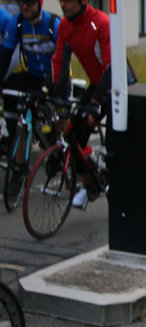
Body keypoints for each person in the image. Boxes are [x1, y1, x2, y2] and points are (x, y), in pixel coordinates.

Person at [47, 0, 112, 210]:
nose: (63, 4)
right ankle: (88, 185)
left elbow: (111, 66)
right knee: (72, 135)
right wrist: (57, 97)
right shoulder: (65, 26)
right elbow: (59, 61)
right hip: (95, 83)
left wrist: (95, 103)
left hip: (117, 82)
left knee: (118, 140)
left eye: (68, 0)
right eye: (60, 0)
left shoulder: (100, 22)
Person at [0, 0, 59, 195]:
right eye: (21, 3)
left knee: (61, 123)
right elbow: (6, 56)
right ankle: (19, 169)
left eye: (30, 3)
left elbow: (61, 60)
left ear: (39, 3)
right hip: (33, 75)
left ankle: (63, 155)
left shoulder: (53, 25)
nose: (25, 7)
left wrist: (45, 90)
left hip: (56, 76)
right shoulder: (16, 23)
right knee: (23, 121)